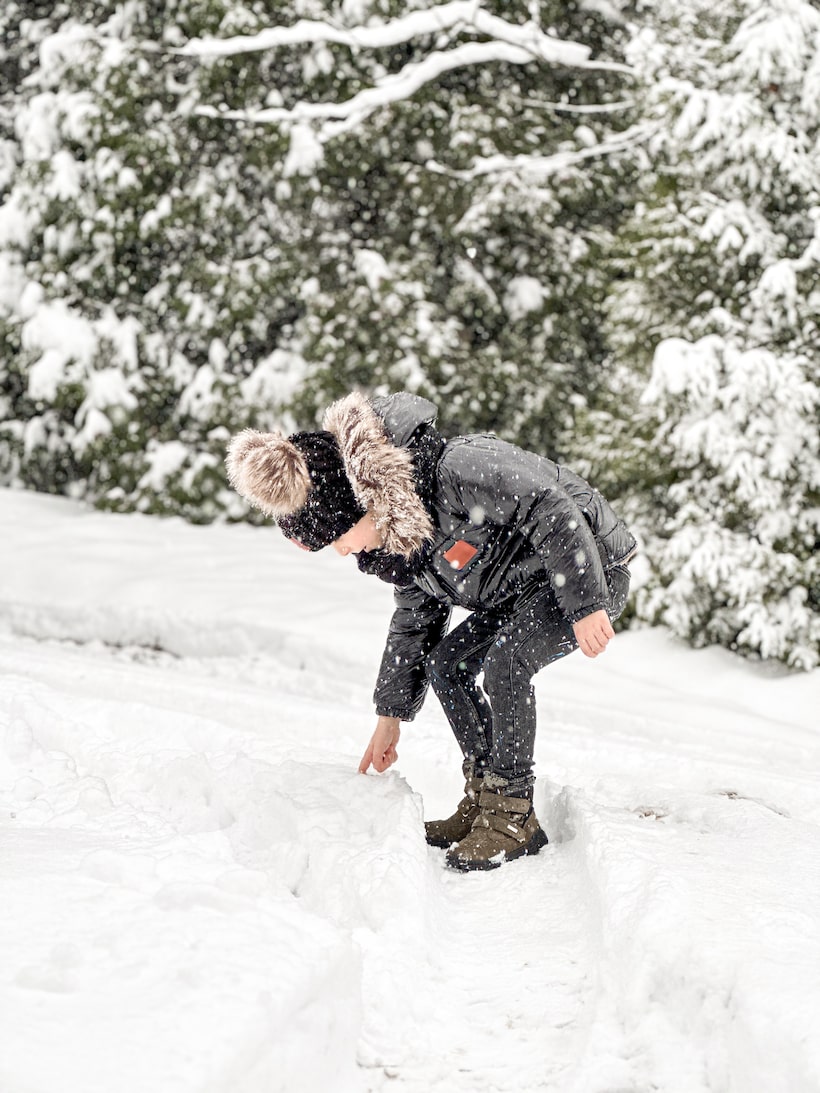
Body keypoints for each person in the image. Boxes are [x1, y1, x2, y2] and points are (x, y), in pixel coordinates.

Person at [226, 391, 636, 872]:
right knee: (449, 664)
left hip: (587, 569)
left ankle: (513, 816)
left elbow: (554, 508)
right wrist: (390, 716)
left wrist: (585, 602)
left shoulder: (455, 471)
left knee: (507, 663)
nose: (341, 551)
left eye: (338, 538)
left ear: (363, 507)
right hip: (525, 587)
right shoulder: (404, 538)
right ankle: (486, 797)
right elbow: (414, 623)